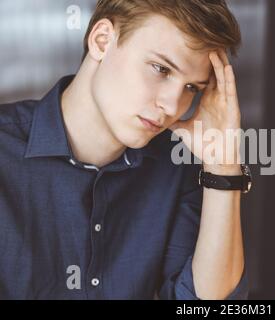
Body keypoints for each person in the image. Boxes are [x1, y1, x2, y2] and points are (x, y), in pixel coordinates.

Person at [0, 0, 251, 299]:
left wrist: (222, 166)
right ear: (102, 41)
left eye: (191, 88)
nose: (172, 106)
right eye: (161, 69)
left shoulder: (178, 166)